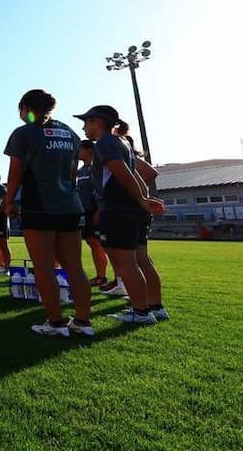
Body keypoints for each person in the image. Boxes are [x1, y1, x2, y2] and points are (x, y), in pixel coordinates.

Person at [2, 89, 92, 338]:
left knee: (43, 267)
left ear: (25, 107)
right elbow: (73, 172)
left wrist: (8, 202)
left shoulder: (24, 133)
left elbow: (15, 172)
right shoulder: (70, 133)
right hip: (70, 206)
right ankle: (83, 322)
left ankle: (56, 323)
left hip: (40, 206)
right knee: (74, 266)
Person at [75, 105, 166, 325]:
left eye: (86, 122)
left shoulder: (105, 142)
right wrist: (142, 199)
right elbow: (135, 173)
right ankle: (155, 307)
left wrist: (141, 200)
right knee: (142, 259)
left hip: (118, 208)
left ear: (97, 121)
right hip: (130, 208)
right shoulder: (121, 142)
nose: (84, 127)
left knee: (125, 261)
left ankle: (141, 312)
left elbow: (122, 173)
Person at [118, 128, 169, 320]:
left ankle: (146, 307)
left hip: (133, 210)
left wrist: (136, 194)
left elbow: (150, 172)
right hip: (138, 208)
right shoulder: (126, 158)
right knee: (141, 259)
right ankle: (153, 305)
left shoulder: (127, 156)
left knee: (136, 260)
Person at [76, 140, 110, 287]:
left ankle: (110, 278)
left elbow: (100, 189)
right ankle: (100, 276)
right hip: (83, 212)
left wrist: (99, 210)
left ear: (89, 149)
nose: (77, 152)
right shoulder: (80, 170)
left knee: (101, 244)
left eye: (80, 149)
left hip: (95, 210)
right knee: (92, 243)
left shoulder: (97, 167)